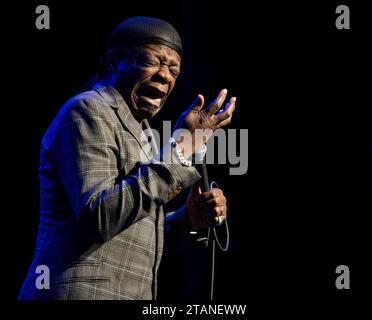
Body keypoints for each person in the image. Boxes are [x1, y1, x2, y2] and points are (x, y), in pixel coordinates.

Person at [18, 16, 236, 300]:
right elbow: (99, 218)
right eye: (153, 62)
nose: (165, 76)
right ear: (113, 63)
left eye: (173, 69)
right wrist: (181, 149)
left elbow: (129, 237)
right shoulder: (88, 110)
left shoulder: (142, 132)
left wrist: (188, 220)